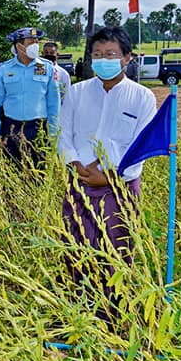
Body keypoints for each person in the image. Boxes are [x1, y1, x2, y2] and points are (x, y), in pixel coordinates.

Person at [58, 26, 156, 319]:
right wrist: (75, 164)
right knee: (75, 244)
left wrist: (110, 177)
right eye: (97, 55)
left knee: (117, 247)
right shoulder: (76, 93)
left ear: (127, 58)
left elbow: (141, 147)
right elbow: (64, 135)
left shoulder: (142, 98)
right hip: (79, 182)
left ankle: (113, 311)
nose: (103, 60)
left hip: (120, 187)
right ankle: (77, 307)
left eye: (110, 54)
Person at [0, 27, 60, 166]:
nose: (36, 45)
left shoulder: (47, 68)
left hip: (38, 129)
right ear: (19, 46)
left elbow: (53, 103)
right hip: (11, 128)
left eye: (37, 41)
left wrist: (53, 132)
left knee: (38, 173)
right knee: (13, 172)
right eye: (31, 42)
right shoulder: (4, 69)